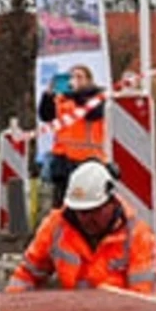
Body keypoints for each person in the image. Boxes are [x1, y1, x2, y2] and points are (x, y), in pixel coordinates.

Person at [6, 160, 156, 301]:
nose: (86, 219)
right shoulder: (56, 226)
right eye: (80, 212)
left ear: (111, 202)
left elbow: (143, 300)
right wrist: (14, 309)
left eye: (94, 211)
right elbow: (26, 274)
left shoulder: (138, 236)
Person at [37, 65, 106, 209]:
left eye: (79, 77)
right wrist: (48, 94)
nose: (75, 81)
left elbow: (94, 114)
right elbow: (46, 115)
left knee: (88, 204)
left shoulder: (96, 98)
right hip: (63, 161)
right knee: (62, 205)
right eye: (72, 77)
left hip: (89, 159)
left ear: (89, 81)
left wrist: (77, 95)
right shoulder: (62, 100)